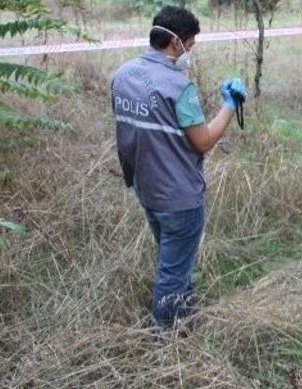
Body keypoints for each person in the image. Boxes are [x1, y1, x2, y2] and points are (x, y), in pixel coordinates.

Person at [110, 6, 246, 330]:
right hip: (180, 198)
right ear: (176, 44)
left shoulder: (121, 75)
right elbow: (202, 141)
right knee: (172, 274)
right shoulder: (177, 86)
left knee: (174, 260)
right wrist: (230, 105)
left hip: (147, 191)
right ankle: (167, 342)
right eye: (191, 44)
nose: (191, 51)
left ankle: (185, 316)